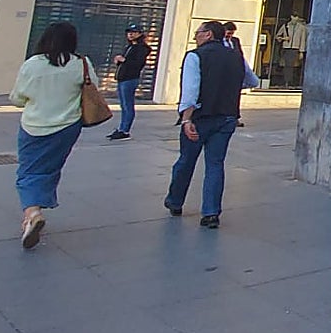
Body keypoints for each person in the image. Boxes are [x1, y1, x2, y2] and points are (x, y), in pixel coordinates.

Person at [164, 20, 259, 229]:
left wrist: (186, 119)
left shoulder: (195, 56)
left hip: (200, 117)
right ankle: (211, 213)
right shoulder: (235, 56)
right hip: (227, 117)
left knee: (186, 161)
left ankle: (175, 201)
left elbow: (190, 91)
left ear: (208, 34)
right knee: (215, 164)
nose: (195, 36)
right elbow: (253, 81)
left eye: (198, 32)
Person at [9, 22, 94, 249]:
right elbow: (92, 88)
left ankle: (32, 213)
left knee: (28, 170)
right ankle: (34, 211)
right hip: (67, 127)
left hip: (34, 126)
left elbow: (17, 98)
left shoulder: (33, 64)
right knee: (50, 168)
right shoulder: (81, 63)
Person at [108, 23, 151, 141]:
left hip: (130, 79)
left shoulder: (142, 48)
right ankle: (121, 128)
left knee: (128, 105)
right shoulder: (130, 47)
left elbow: (138, 64)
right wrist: (118, 61)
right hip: (122, 78)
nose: (130, 34)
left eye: (134, 32)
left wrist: (124, 60)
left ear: (140, 34)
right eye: (129, 32)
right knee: (123, 105)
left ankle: (125, 130)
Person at [224, 21, 246, 126]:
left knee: (235, 96)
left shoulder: (235, 41)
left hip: (235, 73)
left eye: (232, 33)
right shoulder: (218, 42)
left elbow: (240, 55)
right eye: (228, 33)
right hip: (224, 73)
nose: (230, 35)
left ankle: (235, 117)